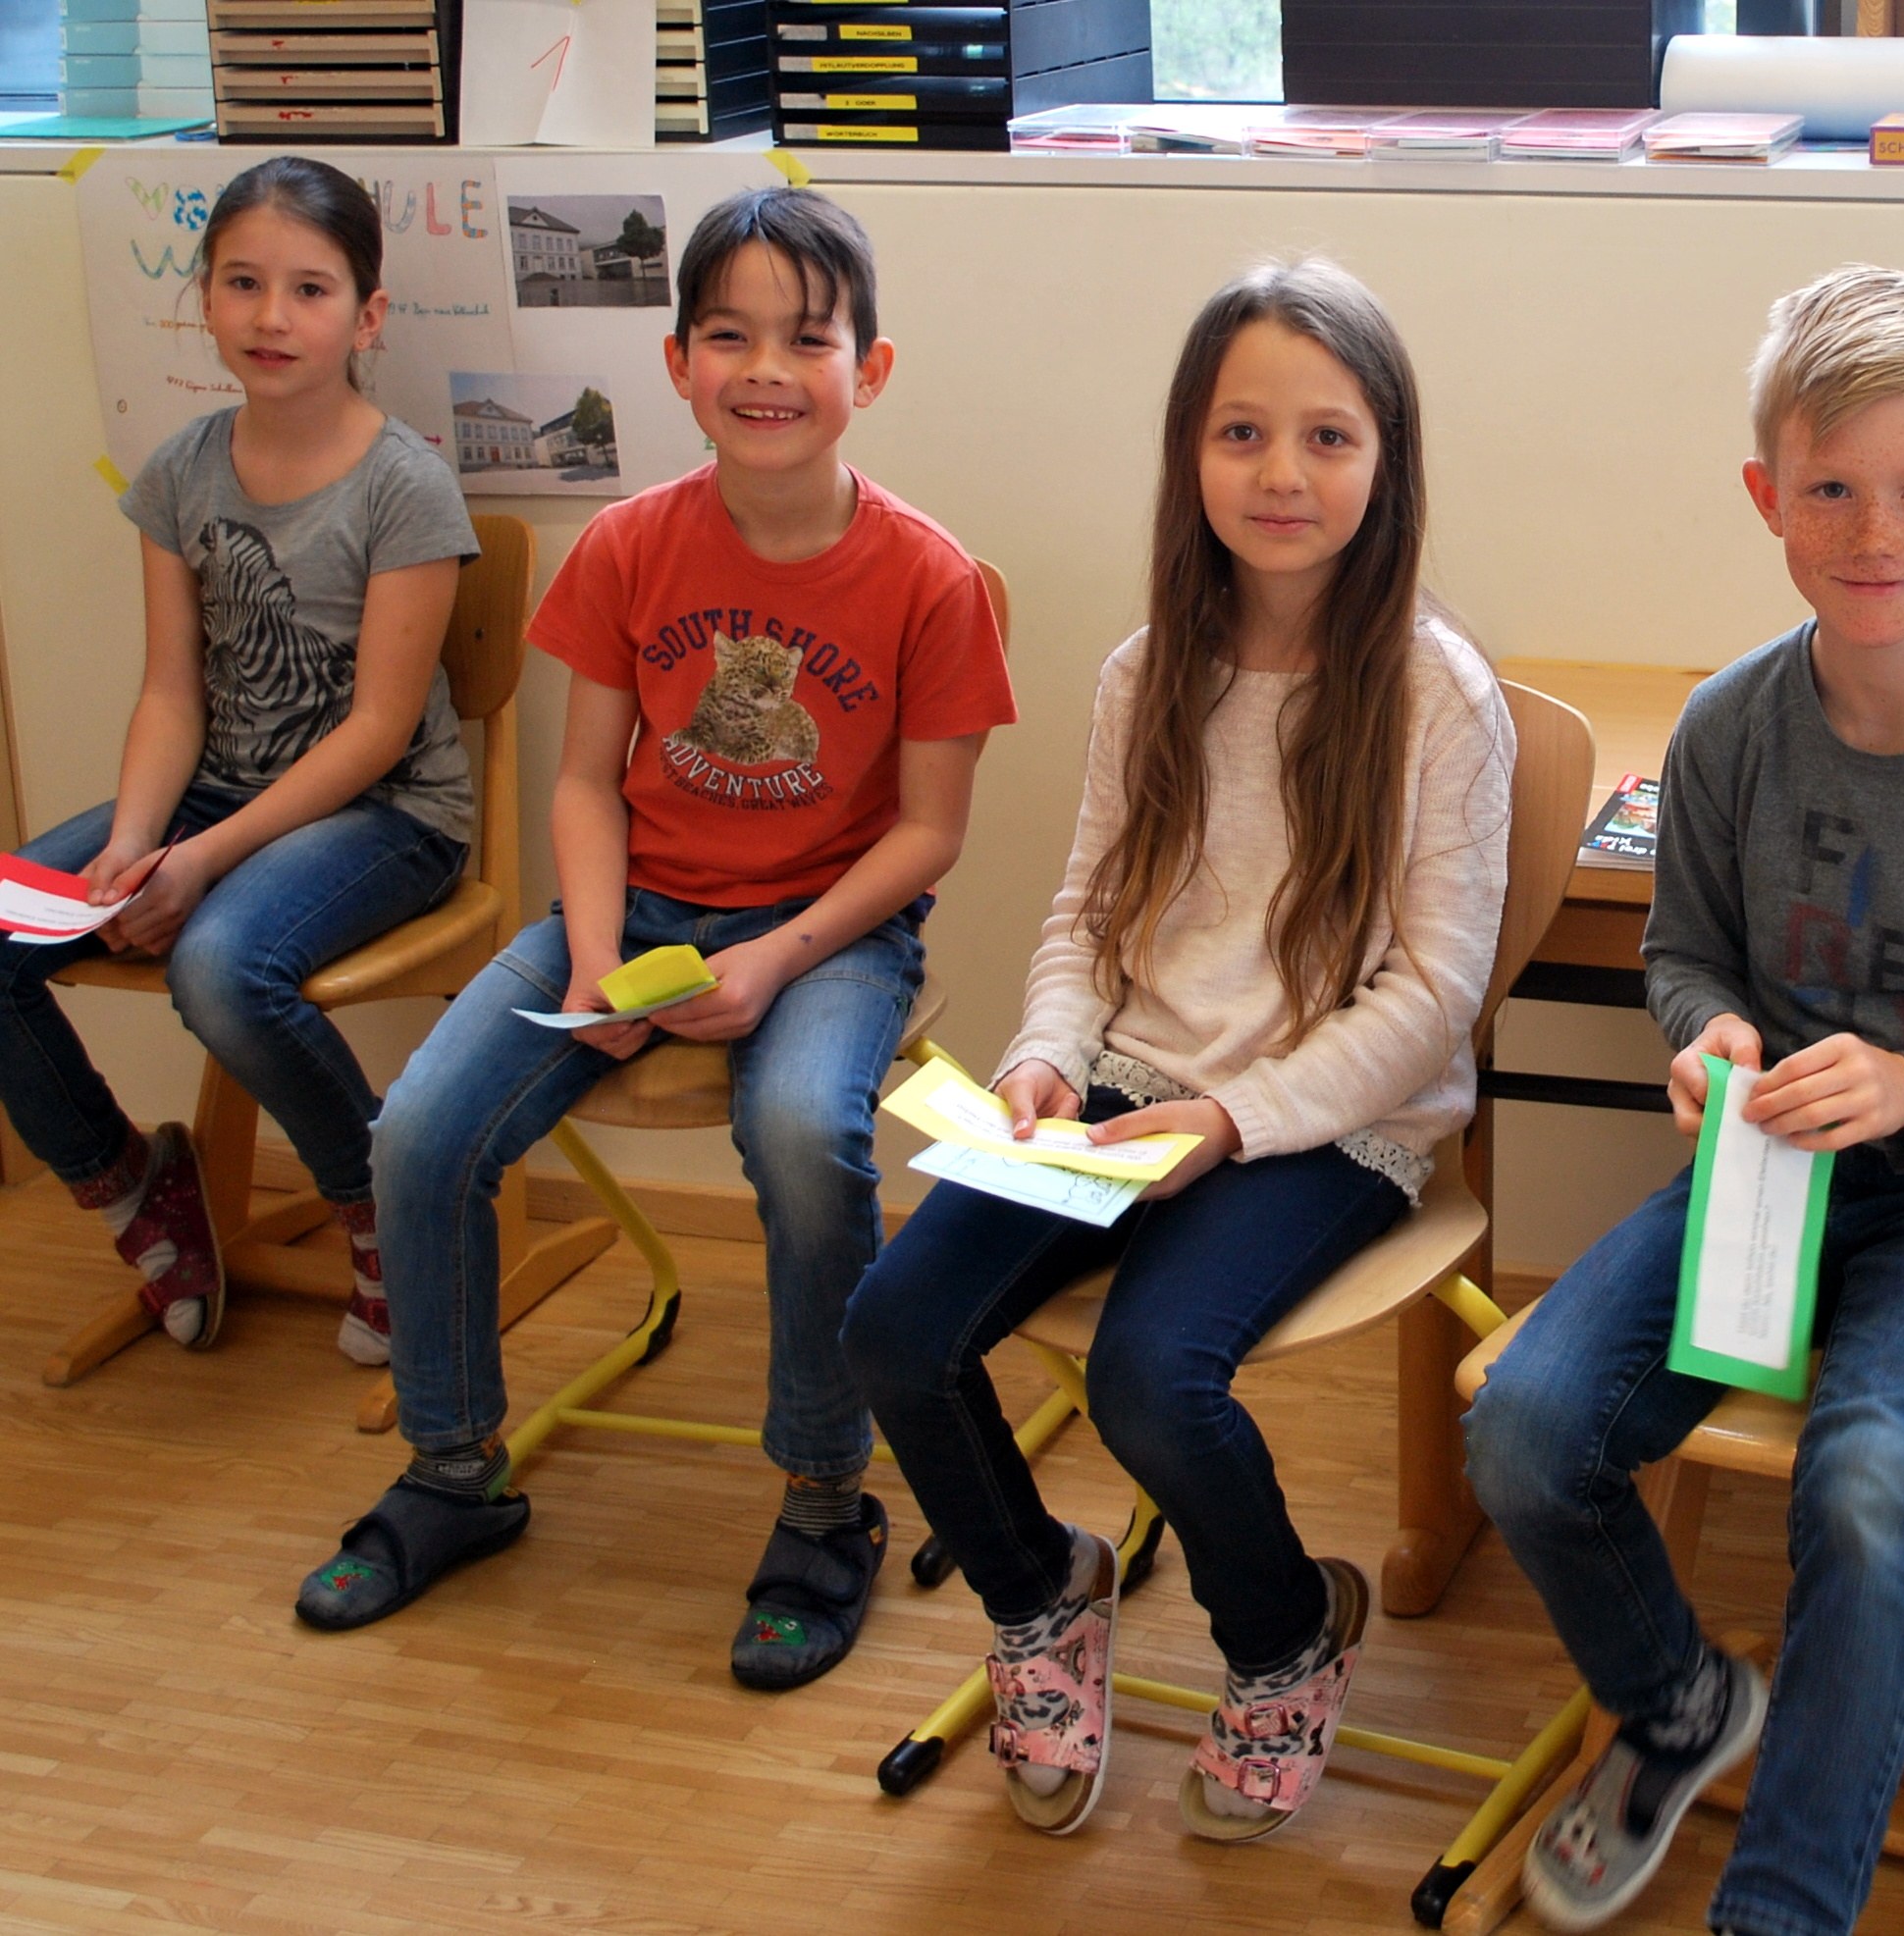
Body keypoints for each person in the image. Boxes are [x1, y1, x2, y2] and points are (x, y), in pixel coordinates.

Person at [1462, 265, 1904, 1936]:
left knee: (1862, 1489)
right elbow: (1682, 953)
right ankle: (1677, 1701)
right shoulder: (1730, 725)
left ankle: (1781, 1908)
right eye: (1832, 490)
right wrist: (1708, 1031)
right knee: (1523, 1427)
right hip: (1764, 1180)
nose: (1877, 533)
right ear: (1765, 497)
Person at [293, 186, 1015, 1695]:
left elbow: (928, 833)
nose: (768, 370)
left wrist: (777, 955)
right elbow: (582, 783)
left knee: (804, 1138)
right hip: (629, 913)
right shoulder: (627, 546)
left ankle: (825, 1497)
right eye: (729, 337)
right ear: (678, 363)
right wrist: (592, 958)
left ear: (869, 370)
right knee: (419, 1133)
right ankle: (451, 1469)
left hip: (831, 934)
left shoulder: (930, 577)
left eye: (807, 339)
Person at [840, 258, 1513, 1842]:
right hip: (1126, 1086)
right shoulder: (1144, 670)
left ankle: (1284, 1631)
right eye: (1241, 432)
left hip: (1332, 1121)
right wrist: (1044, 1054)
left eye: (1327, 437)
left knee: (1152, 1375)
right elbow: (1089, 914)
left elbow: (1431, 998)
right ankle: (1039, 1591)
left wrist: (1226, 1121)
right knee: (894, 1329)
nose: (1281, 473)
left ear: (1387, 459)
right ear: (1188, 451)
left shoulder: (1439, 693)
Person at [0, 156, 477, 1367]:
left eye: (310, 289)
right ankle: (132, 1183)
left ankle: (382, 1202)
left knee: (217, 967)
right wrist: (132, 841)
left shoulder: (406, 485)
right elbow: (172, 689)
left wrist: (199, 859)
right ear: (203, 299)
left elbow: (378, 729)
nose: (272, 316)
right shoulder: (181, 470)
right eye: (243, 283)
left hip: (387, 815)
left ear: (366, 316)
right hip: (213, 793)